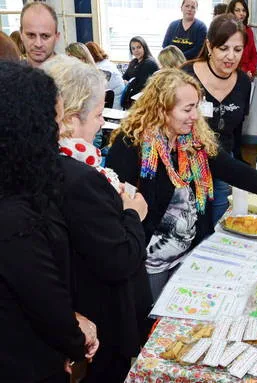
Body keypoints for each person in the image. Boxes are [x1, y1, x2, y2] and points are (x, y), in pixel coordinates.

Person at [106, 68, 257, 301]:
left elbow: (230, 167)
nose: (195, 116)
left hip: (189, 253)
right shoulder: (131, 145)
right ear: (161, 109)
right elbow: (116, 208)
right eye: (187, 109)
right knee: (149, 324)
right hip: (151, 264)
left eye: (196, 107)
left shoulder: (191, 139)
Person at [42, 55, 151, 383]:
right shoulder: (82, 179)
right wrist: (133, 212)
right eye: (99, 114)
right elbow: (118, 258)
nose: (102, 124)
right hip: (99, 321)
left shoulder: (46, 163)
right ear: (71, 119)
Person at [0, 61, 98, 383]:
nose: (58, 133)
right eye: (53, 122)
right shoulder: (14, 218)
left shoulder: (16, 187)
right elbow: (44, 303)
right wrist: (75, 337)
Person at [181, 14, 251, 225]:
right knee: (190, 222)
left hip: (223, 160)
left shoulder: (243, 84)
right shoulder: (187, 76)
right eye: (223, 48)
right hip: (187, 163)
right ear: (209, 46)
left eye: (237, 50)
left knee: (220, 221)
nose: (231, 56)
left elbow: (237, 130)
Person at [86, 41, 126, 110]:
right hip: (116, 101)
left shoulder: (103, 69)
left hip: (113, 106)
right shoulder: (105, 63)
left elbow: (94, 90)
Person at [122, 36, 159, 109]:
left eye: (139, 47)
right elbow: (124, 77)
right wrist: (127, 83)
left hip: (142, 101)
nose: (136, 50)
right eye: (133, 48)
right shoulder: (134, 62)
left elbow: (141, 86)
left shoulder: (149, 63)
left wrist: (128, 84)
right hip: (132, 99)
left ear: (144, 47)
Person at [19, 2, 60, 68]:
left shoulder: (72, 76)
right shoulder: (10, 76)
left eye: (45, 36)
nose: (38, 44)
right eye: (31, 35)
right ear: (21, 34)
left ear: (57, 37)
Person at [227, 0, 257, 80]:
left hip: (246, 74)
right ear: (231, 12)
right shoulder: (225, 30)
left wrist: (250, 70)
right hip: (229, 73)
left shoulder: (249, 31)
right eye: (237, 10)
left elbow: (254, 54)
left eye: (244, 10)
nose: (241, 13)